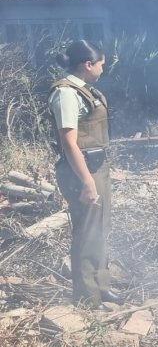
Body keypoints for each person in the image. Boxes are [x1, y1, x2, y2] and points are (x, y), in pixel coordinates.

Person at [49, 40, 124, 308]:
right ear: (87, 64)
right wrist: (87, 181)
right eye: (101, 64)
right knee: (86, 232)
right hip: (81, 172)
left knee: (100, 228)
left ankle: (101, 285)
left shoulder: (85, 90)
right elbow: (69, 143)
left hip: (96, 168)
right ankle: (87, 297)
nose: (104, 69)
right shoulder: (66, 94)